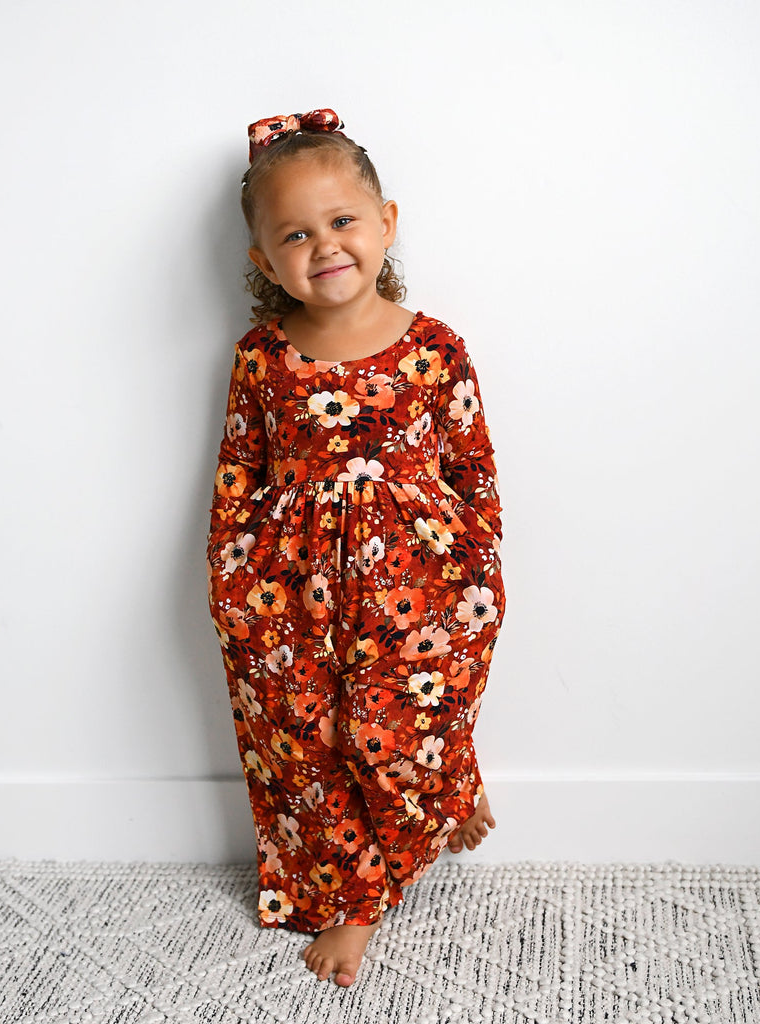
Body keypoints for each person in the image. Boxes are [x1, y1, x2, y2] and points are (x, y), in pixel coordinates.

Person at [206, 109, 504, 987]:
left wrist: (481, 570)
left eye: (342, 221)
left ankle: (445, 785)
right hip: (289, 591)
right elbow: (238, 474)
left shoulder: (435, 347)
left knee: (405, 719)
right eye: (295, 234)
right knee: (311, 737)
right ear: (264, 262)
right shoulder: (261, 358)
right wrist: (229, 582)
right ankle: (354, 894)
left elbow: (472, 468)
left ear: (386, 224)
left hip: (422, 581)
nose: (324, 245)